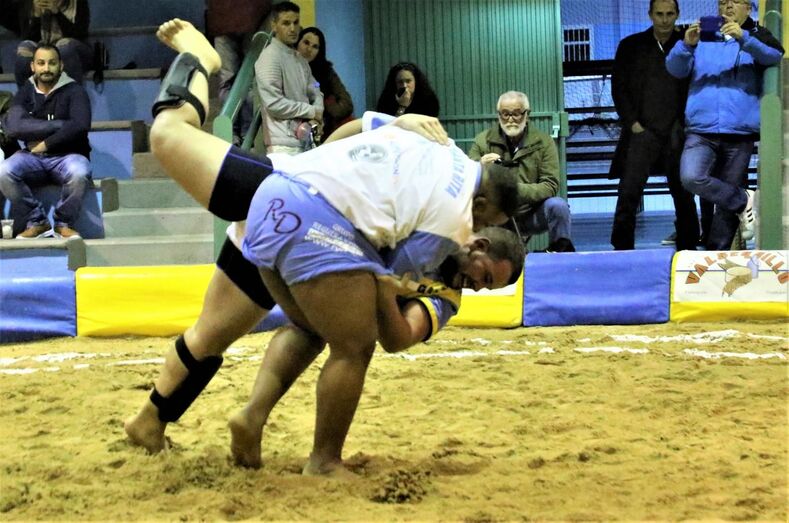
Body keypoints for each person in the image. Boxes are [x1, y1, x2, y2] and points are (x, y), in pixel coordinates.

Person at [124, 19, 525, 476]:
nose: (477, 286)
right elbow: (382, 292)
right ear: (480, 235)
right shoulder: (451, 223)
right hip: (307, 207)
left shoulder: (442, 169)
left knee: (275, 330)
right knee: (341, 340)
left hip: (288, 205)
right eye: (484, 277)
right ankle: (312, 453)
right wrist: (337, 168)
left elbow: (399, 334)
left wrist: (393, 128)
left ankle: (155, 421)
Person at [666, 0, 783, 249]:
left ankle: (717, 254)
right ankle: (744, 200)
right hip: (701, 128)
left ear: (748, 8)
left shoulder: (757, 34)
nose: (728, 7)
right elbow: (675, 69)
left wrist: (744, 38)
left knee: (724, 206)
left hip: (739, 131)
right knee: (690, 177)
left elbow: (774, 55)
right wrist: (686, 45)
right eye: (722, 2)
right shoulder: (703, 37)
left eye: (735, 2)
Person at [609, 0, 699, 252]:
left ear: (677, 14)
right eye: (659, 14)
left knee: (683, 193)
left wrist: (686, 125)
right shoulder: (630, 46)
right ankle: (621, 249)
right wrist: (632, 123)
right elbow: (619, 87)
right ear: (650, 14)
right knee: (629, 192)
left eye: (670, 14)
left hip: (677, 132)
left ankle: (688, 247)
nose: (664, 19)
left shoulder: (689, 44)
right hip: (642, 132)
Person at [0, 43, 91, 238]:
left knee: (79, 173)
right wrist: (61, 125)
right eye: (41, 63)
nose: (46, 68)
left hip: (68, 156)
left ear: (61, 65)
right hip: (33, 158)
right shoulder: (26, 91)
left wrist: (45, 144)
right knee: (3, 172)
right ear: (33, 66)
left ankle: (63, 222)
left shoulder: (75, 91)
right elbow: (14, 126)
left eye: (52, 63)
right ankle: (37, 221)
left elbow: (80, 126)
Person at [468, 90, 575, 253]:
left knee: (558, 206)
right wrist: (479, 167)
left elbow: (550, 185)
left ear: (527, 114)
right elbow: (467, 180)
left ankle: (560, 252)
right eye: (505, 114)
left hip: (531, 214)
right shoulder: (482, 141)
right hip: (495, 215)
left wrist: (513, 189)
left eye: (516, 114)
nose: (510, 119)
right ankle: (474, 254)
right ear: (498, 115)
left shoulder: (544, 142)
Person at [255, 1, 323, 154]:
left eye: (296, 22)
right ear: (274, 25)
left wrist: (318, 107)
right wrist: (311, 111)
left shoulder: (300, 60)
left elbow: (315, 86)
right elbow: (274, 103)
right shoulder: (269, 58)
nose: (293, 28)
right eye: (286, 23)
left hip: (305, 140)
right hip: (283, 145)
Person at [206, 0, 271, 145]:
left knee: (229, 82)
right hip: (249, 18)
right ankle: (247, 135)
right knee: (247, 81)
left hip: (224, 20)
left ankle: (234, 135)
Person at [9, 0, 92, 87]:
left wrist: (57, 13)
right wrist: (37, 17)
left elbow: (80, 34)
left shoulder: (77, 2)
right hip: (44, 49)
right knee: (25, 49)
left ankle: (73, 94)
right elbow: (27, 37)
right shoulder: (28, 3)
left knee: (64, 48)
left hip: (76, 49)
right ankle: (26, 94)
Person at [296, 27, 354, 138]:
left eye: (315, 47)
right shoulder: (285, 67)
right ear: (298, 42)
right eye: (306, 43)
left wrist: (325, 109)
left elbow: (347, 104)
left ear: (319, 51)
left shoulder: (326, 71)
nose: (309, 49)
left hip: (324, 129)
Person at [375, 62, 440, 117]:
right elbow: (390, 126)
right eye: (400, 82)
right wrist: (402, 107)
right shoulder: (386, 101)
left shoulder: (429, 100)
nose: (404, 85)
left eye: (408, 81)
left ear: (416, 81)